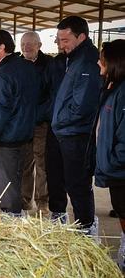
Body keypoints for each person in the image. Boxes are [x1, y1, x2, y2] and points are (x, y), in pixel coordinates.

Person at [0, 30, 39, 216]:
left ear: (2, 47)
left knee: (8, 191)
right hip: (27, 138)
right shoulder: (29, 68)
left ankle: (12, 227)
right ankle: (21, 218)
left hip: (7, 142)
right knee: (23, 183)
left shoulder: (1, 77)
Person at [51, 15, 100, 234]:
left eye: (65, 40)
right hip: (67, 132)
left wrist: (59, 121)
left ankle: (87, 229)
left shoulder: (87, 62)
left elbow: (82, 107)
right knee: (69, 182)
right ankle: (83, 225)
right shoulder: (74, 58)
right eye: (59, 40)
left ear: (81, 37)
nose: (61, 45)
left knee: (78, 184)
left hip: (76, 134)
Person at [93, 39, 125, 271]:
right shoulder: (113, 88)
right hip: (115, 170)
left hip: (121, 170)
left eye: (102, 58)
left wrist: (113, 162)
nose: (98, 62)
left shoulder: (123, 94)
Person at [20, 31, 52, 215]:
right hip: (23, 123)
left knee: (42, 163)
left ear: (39, 45)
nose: (27, 47)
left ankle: (42, 202)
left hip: (41, 122)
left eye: (31, 44)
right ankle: (25, 202)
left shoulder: (49, 64)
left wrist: (40, 115)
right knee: (24, 164)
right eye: (23, 44)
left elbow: (52, 94)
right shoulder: (17, 64)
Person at [44, 34, 68, 222]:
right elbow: (46, 91)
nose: (57, 43)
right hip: (54, 125)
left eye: (63, 40)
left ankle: (86, 222)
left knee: (77, 178)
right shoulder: (55, 63)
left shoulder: (87, 64)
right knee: (53, 171)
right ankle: (58, 213)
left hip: (75, 130)